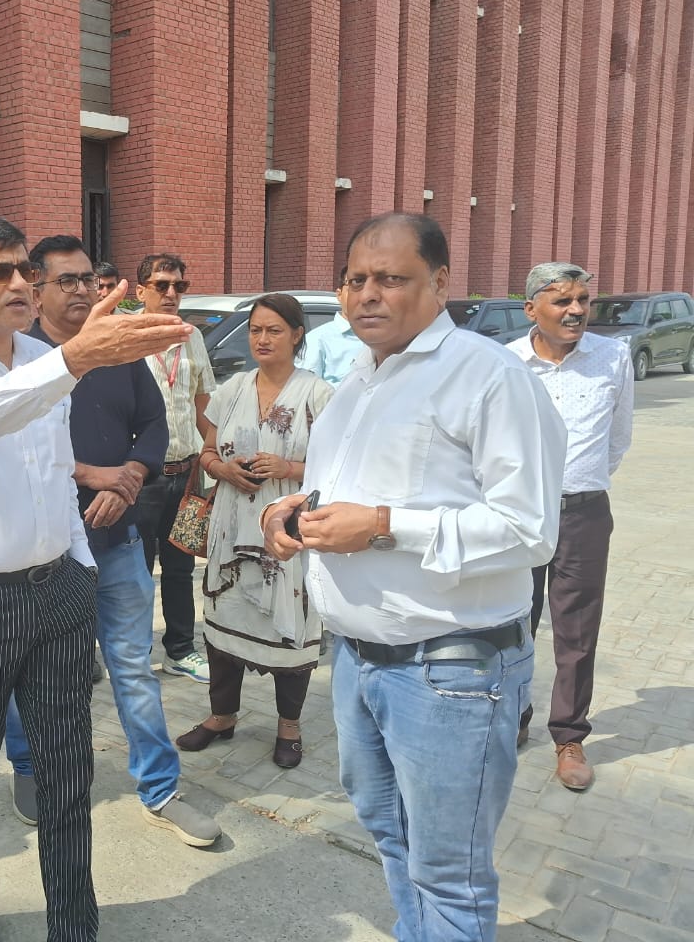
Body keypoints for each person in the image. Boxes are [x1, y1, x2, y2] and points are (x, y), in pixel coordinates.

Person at [0, 214, 193, 942]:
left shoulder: (45, 357)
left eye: (25, 269)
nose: (20, 283)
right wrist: (73, 361)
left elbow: (54, 471)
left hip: (57, 591)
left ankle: (73, 922)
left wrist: (79, 568)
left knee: (67, 770)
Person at [261, 212, 565, 942]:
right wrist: (292, 514)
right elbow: (351, 496)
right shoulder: (359, 381)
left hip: (450, 670)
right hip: (358, 662)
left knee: (449, 875)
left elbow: (530, 531)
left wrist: (384, 524)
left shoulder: (488, 377)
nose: (367, 295)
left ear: (440, 282)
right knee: (392, 839)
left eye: (391, 279)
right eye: (354, 280)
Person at [3, 234, 220, 848]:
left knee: (131, 667)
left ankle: (160, 787)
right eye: (66, 280)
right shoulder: (21, 360)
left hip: (116, 536)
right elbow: (10, 443)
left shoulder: (121, 353)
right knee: (29, 669)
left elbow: (154, 423)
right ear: (36, 288)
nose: (81, 290)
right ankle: (28, 765)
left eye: (86, 279)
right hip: (42, 546)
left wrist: (129, 476)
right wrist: (87, 474)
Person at [177, 295, 333, 770]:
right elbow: (206, 452)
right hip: (231, 525)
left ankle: (289, 726)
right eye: (255, 330)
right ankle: (222, 716)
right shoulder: (232, 389)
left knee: (290, 625)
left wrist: (288, 467)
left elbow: (337, 470)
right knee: (225, 617)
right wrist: (223, 469)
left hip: (286, 532)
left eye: (274, 330)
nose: (262, 339)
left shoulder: (318, 395)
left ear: (297, 334)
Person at [507, 262, 632, 791]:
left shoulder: (613, 357)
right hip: (518, 514)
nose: (577, 310)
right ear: (531, 309)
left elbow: (618, 438)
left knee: (577, 631)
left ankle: (569, 736)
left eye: (583, 300)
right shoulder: (506, 363)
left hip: (584, 514)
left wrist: (579, 483)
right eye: (562, 301)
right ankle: (511, 719)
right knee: (511, 621)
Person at [131, 253, 215, 684]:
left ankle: (180, 650)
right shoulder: (125, 336)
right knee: (136, 572)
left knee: (181, 569)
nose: (170, 294)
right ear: (140, 290)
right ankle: (135, 655)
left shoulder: (191, 336)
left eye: (178, 286)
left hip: (185, 473)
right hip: (141, 478)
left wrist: (212, 459)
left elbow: (202, 404)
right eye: (161, 285)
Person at [299, 268, 361, 384]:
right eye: (354, 285)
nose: (361, 295)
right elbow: (308, 390)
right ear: (339, 295)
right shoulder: (317, 340)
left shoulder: (385, 339)